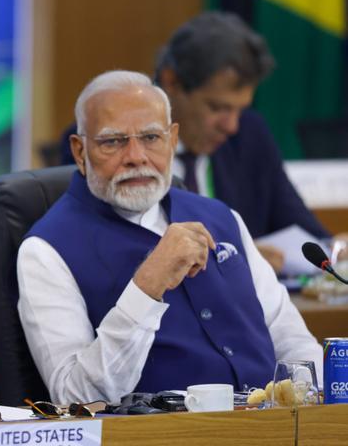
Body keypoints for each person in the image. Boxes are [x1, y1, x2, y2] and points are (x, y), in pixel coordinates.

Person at [20, 70, 321, 405]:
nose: (136, 156)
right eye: (112, 141)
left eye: (150, 138)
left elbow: (292, 339)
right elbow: (75, 398)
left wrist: (314, 406)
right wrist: (147, 284)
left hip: (275, 429)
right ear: (79, 152)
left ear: (172, 140)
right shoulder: (45, 251)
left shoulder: (223, 218)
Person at [59, 12, 332, 273]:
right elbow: (97, 249)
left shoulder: (250, 135)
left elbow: (304, 232)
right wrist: (234, 253)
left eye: (240, 109)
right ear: (171, 81)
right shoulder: (103, 145)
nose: (232, 125)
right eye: (217, 108)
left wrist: (336, 248)